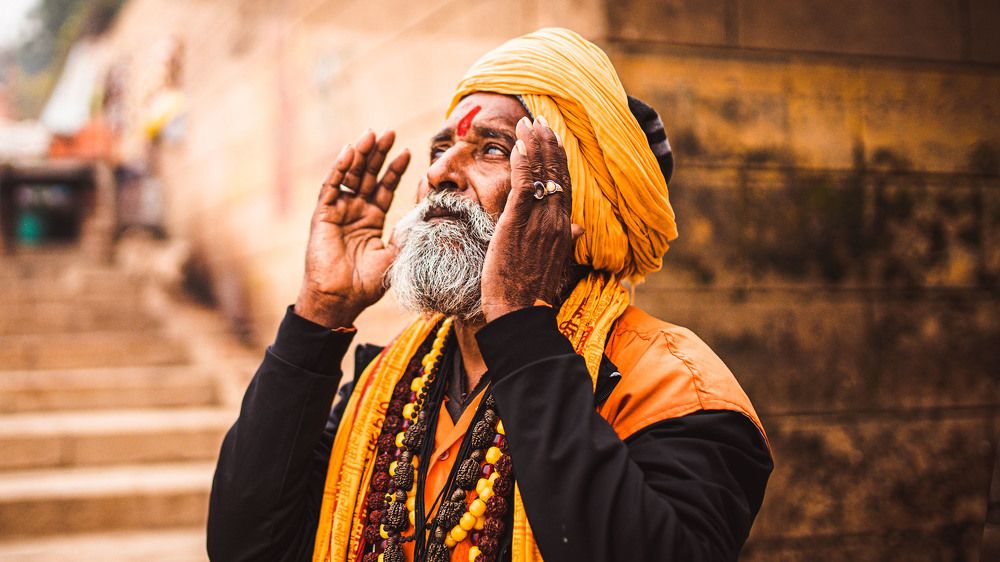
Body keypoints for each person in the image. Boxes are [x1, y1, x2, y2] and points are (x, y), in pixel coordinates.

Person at [208, 28, 772, 562]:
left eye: (492, 150)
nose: (439, 175)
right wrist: (318, 315)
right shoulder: (386, 386)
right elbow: (248, 548)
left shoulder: (678, 387)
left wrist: (521, 319)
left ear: (572, 204)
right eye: (440, 149)